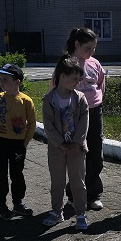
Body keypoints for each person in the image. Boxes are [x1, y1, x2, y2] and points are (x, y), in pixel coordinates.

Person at [52, 28, 106, 210]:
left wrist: (96, 104)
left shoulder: (95, 63)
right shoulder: (66, 64)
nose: (91, 52)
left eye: (93, 48)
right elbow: (55, 88)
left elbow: (101, 85)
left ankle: (93, 194)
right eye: (87, 48)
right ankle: (74, 194)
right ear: (77, 44)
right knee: (76, 155)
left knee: (95, 154)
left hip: (94, 112)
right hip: (72, 115)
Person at [42, 57, 89, 230]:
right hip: (57, 149)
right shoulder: (48, 100)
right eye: (74, 78)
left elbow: (85, 121)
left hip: (77, 148)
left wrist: (77, 142)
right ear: (62, 76)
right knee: (57, 181)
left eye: (79, 78)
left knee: (78, 182)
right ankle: (56, 212)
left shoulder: (80, 98)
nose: (78, 82)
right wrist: (60, 144)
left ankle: (81, 214)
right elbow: (48, 125)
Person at [0, 63, 36, 220]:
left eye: (6, 79)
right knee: (0, 174)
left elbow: (32, 123)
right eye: (1, 79)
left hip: (17, 144)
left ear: (17, 82)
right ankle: (1, 204)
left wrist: (25, 141)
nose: (2, 83)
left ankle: (18, 202)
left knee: (17, 174)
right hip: (0, 142)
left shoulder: (26, 101)